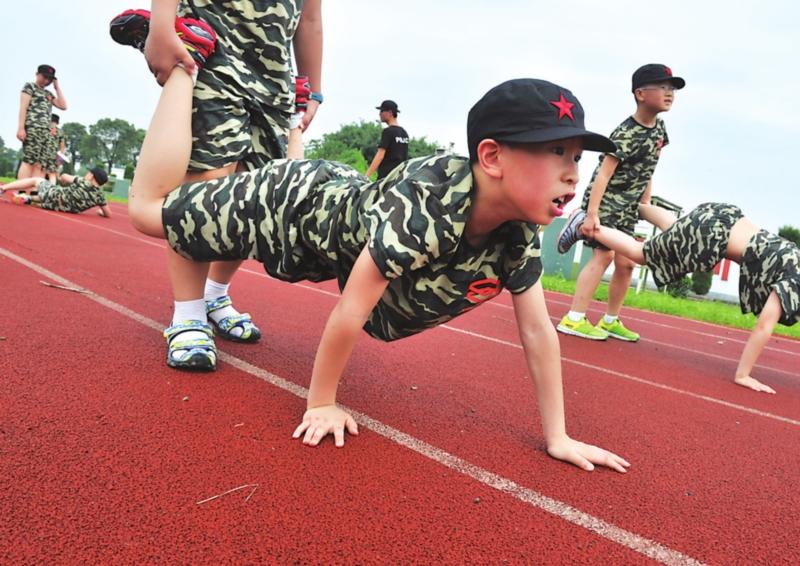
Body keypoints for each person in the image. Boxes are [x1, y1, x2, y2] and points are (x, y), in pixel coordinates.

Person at [128, 64, 631, 472]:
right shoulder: (427, 202)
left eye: (576, 157)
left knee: (225, 234)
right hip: (292, 202)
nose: (573, 173)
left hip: (333, 228)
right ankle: (183, 71)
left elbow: (538, 330)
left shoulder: (518, 230)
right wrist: (320, 403)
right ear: (492, 157)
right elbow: (352, 309)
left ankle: (215, 297)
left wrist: (558, 436)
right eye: (556, 152)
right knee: (150, 213)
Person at [110, 0, 323, 348]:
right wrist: (162, 28)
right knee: (207, 183)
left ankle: (214, 293)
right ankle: (188, 313)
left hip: (274, 77)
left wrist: (313, 90)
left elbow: (311, 18)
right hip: (215, 42)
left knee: (253, 197)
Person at [557, 202, 799, 394]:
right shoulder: (796, 278)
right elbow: (764, 326)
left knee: (675, 228)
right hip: (710, 236)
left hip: (723, 215)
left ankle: (634, 205)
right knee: (640, 254)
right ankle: (585, 226)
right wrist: (743, 375)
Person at [557, 64, 685, 342]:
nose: (670, 93)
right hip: (606, 203)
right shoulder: (626, 133)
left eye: (672, 89)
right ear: (640, 93)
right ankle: (574, 318)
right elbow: (603, 174)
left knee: (627, 263)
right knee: (603, 256)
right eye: (662, 87)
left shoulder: (660, 130)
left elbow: (648, 167)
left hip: (628, 206)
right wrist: (592, 213)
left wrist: (645, 200)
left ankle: (610, 320)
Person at [17, 64, 68, 180]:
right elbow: (23, 107)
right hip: (33, 127)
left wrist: (57, 87)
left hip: (46, 132)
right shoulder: (30, 87)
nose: (46, 81)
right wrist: (21, 128)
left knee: (41, 164)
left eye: (49, 79)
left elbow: (63, 106)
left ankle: (34, 190)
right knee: (29, 160)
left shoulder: (48, 94)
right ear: (37, 74)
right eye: (44, 77)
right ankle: (21, 189)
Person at [1, 167, 112, 218]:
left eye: (88, 173)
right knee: (52, 195)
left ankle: (3, 188)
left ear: (91, 176)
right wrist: (101, 212)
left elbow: (65, 176)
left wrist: (62, 178)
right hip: (58, 207)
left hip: (54, 195)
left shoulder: (83, 181)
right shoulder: (100, 196)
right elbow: (108, 214)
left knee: (36, 180)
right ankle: (28, 198)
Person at [365, 100, 410, 180]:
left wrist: (366, 176)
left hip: (386, 179)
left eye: (382, 111)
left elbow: (380, 155)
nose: (379, 114)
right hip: (400, 178)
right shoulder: (404, 133)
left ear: (390, 112)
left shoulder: (388, 132)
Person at [45, 114, 67, 183]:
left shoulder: (44, 129)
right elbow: (62, 147)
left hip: (43, 155)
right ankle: (52, 189)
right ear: (58, 122)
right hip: (54, 157)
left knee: (40, 174)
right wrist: (59, 160)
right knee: (52, 175)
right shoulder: (60, 132)